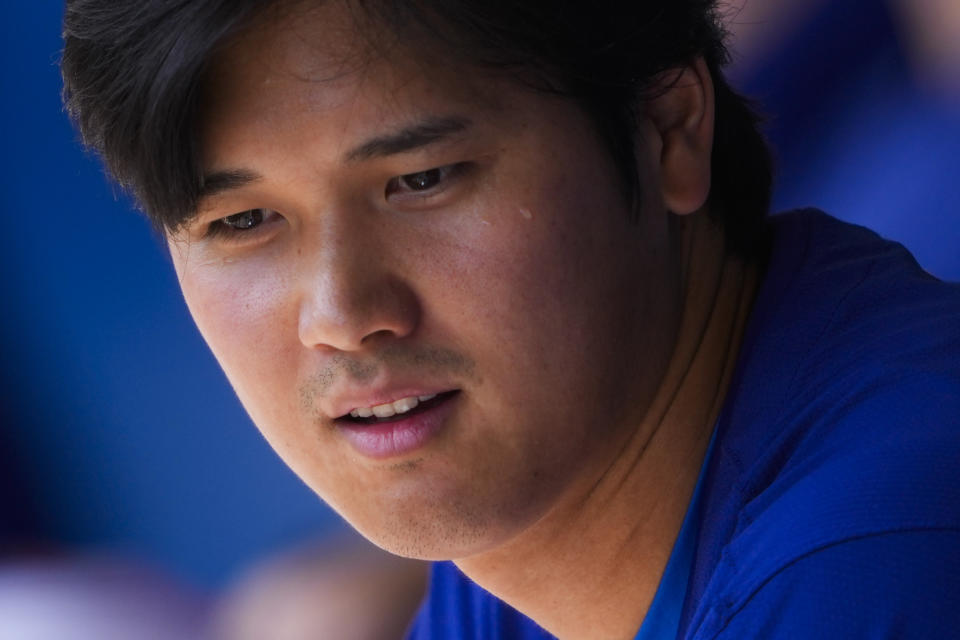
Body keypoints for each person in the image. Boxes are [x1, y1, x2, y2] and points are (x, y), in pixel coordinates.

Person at [60, 1, 960, 638]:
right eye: (242, 223)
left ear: (669, 130)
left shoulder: (869, 561)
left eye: (422, 180)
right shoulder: (528, 549)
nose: (344, 315)